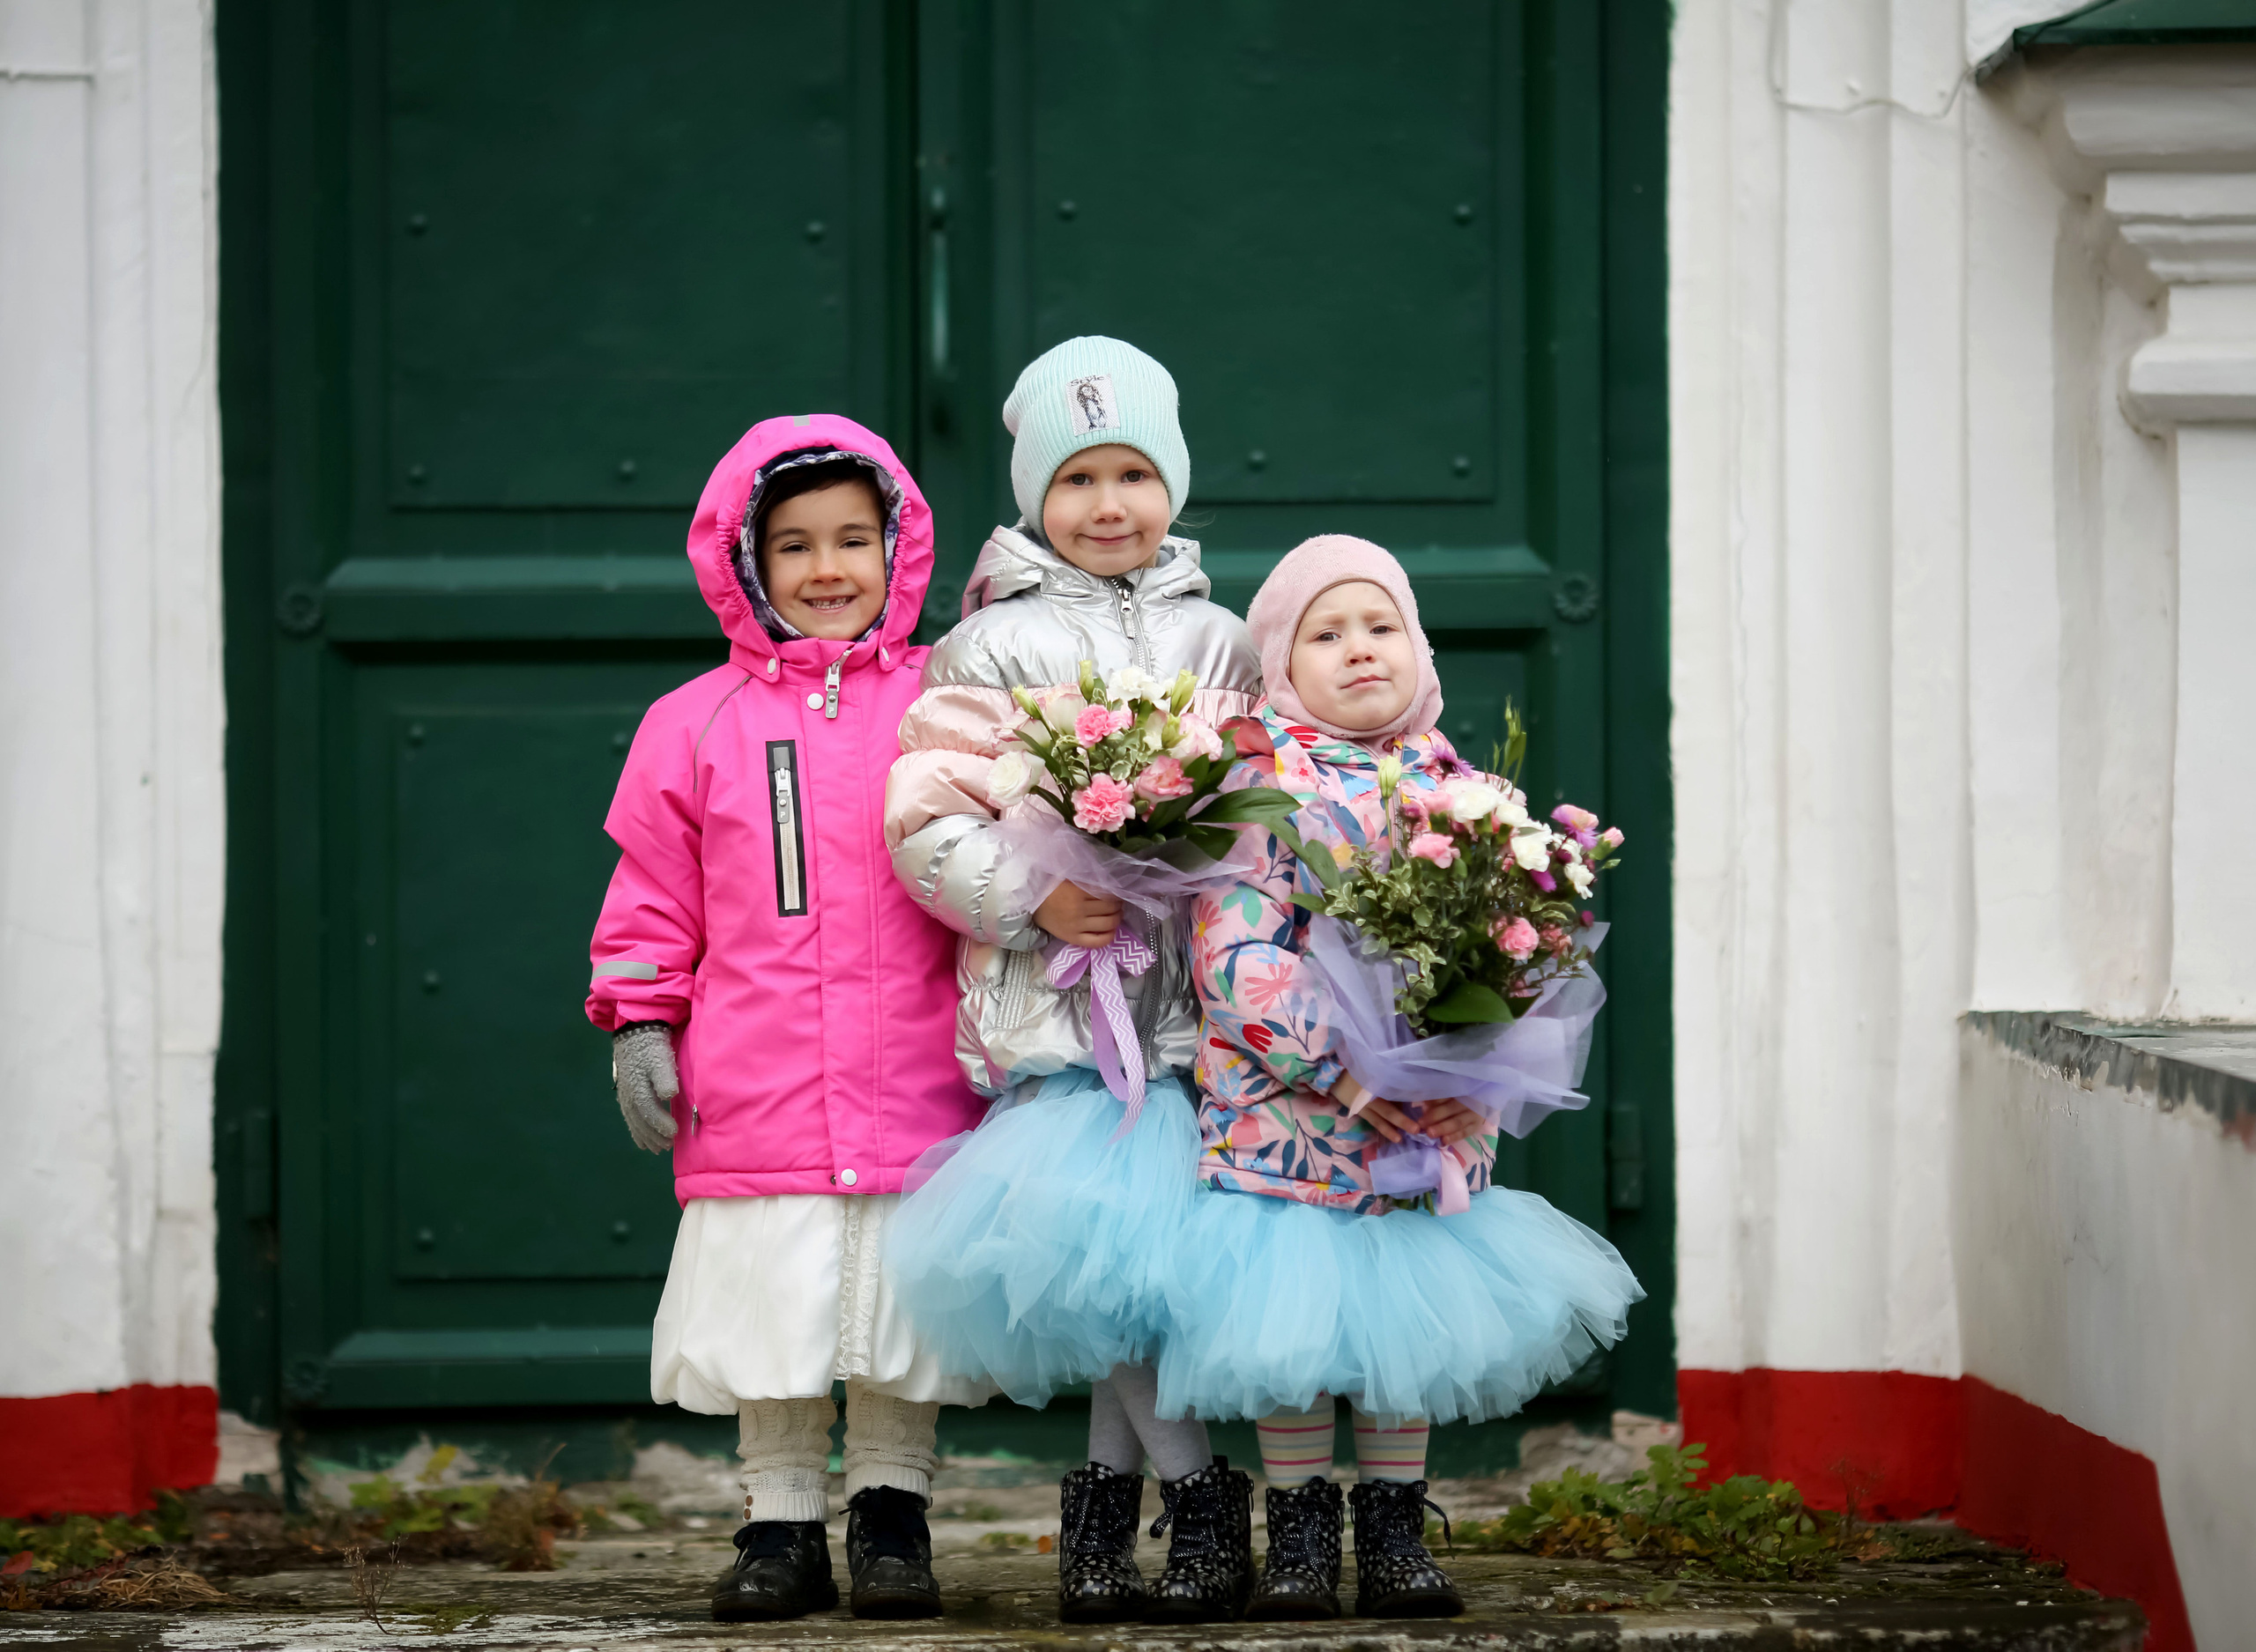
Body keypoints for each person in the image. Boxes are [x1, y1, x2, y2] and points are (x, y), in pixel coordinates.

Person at [1162, 534, 1645, 1621]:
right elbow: (1234, 958)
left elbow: (1519, 947)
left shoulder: (1466, 794)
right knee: (1290, 1339)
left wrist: (1475, 1056)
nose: (1359, 649)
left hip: (1425, 1124)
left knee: (1402, 1330)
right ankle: (1297, 1536)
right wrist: (1346, 1070)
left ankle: (1392, 1534)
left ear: (1417, 647)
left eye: (1380, 626)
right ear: (1281, 665)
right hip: (1291, 1124)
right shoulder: (1258, 788)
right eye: (1325, 635)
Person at [881, 337, 1264, 1623]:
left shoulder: (1221, 637)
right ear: (1035, 494)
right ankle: (1201, 1502)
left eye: (1134, 474)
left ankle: (1096, 1538)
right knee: (1108, 1274)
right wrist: (1032, 895)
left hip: (1192, 1011)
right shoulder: (989, 643)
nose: (1109, 504)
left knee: (1132, 1282)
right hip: (1060, 1009)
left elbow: (1259, 800)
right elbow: (926, 814)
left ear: (1173, 483)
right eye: (1078, 478)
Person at [587, 416, 988, 1625]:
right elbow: (654, 892)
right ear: (745, 562)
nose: (827, 568)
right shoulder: (694, 720)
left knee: (899, 1309)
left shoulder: (945, 702)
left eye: (853, 539)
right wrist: (640, 1019)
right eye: (795, 544)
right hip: (760, 1079)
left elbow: (1002, 861)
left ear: (896, 549)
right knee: (778, 1303)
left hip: (920, 1073)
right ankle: (779, 1526)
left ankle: (892, 1519)